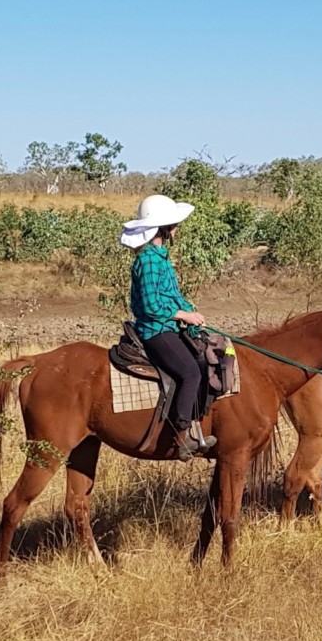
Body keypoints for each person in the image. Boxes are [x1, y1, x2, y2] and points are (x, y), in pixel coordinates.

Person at [121, 194, 212, 458]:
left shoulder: (159, 257)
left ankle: (196, 429)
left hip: (167, 327)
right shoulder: (149, 260)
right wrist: (183, 315)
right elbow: (151, 305)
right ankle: (180, 438)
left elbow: (171, 294)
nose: (177, 228)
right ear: (162, 228)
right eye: (173, 223)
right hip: (155, 330)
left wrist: (192, 313)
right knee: (190, 373)